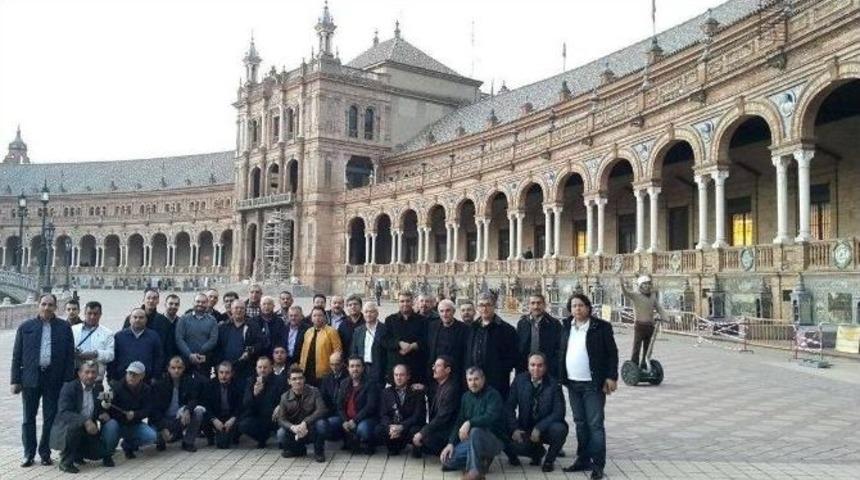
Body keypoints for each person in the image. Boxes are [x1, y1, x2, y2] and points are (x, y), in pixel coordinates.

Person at [11, 293, 76, 467]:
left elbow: (70, 356)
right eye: (44, 304)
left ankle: (45, 452)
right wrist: (15, 380)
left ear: (56, 307)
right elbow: (17, 355)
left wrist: (67, 380)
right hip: (31, 378)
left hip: (53, 379)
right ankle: (28, 453)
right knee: (28, 417)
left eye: (50, 305)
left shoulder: (64, 327)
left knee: (50, 417)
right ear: (38, 305)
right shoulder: (26, 327)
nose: (47, 308)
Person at [559, 294, 618, 480]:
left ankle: (598, 464)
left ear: (588, 307)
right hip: (572, 383)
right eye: (574, 306)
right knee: (580, 423)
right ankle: (583, 459)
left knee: (595, 425)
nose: (577, 309)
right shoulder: (567, 326)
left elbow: (612, 353)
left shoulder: (600, 327)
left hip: (593, 383)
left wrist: (611, 376)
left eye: (581, 305)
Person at [504, 353, 568, 472]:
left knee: (560, 429)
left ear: (545, 367)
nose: (536, 369)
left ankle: (549, 461)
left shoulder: (554, 384)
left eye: (540, 365)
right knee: (502, 430)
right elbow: (509, 406)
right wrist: (514, 428)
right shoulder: (519, 380)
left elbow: (559, 412)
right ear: (528, 366)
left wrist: (539, 427)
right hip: (525, 427)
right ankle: (534, 453)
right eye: (532, 365)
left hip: (545, 429)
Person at [440, 367, 507, 480]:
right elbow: (459, 421)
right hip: (472, 440)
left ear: (483, 379)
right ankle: (482, 461)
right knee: (447, 461)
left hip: (494, 440)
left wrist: (470, 422)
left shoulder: (493, 395)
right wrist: (450, 443)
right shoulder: (466, 397)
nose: (473, 383)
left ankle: (474, 471)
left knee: (475, 431)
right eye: (470, 380)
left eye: (476, 379)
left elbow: (490, 417)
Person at [50, 361, 110, 473]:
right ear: (79, 373)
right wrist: (85, 421)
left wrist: (103, 412)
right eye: (87, 372)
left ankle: (79, 454)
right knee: (75, 426)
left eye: (93, 372)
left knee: (97, 455)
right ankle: (66, 462)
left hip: (89, 430)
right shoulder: (69, 387)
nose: (90, 375)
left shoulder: (98, 388)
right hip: (66, 430)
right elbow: (64, 412)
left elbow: (98, 408)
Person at [465, 292, 518, 399]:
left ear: (494, 306)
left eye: (488, 305)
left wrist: (500, 369)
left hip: (496, 381)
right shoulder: (472, 328)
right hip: (474, 381)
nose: (484, 308)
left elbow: (513, 356)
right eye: (481, 305)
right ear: (477, 308)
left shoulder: (506, 330)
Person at [102, 361, 158, 462]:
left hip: (134, 424)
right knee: (111, 426)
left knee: (151, 436)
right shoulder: (115, 386)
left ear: (142, 376)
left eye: (135, 374)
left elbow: (148, 410)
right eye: (129, 373)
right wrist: (105, 406)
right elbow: (103, 403)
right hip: (117, 423)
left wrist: (135, 414)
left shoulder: (146, 390)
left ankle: (128, 445)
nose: (131, 376)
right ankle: (107, 455)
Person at [150, 356, 205, 452]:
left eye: (179, 368)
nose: (176, 371)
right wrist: (163, 427)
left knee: (198, 411)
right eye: (173, 368)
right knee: (160, 442)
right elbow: (155, 411)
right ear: (168, 368)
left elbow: (194, 399)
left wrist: (188, 409)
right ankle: (168, 437)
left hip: (179, 417)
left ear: (183, 368)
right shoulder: (160, 385)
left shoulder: (189, 381)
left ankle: (188, 442)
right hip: (163, 419)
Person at [327, 356, 379, 453]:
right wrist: (345, 421)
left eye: (358, 366)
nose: (355, 369)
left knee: (363, 429)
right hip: (347, 419)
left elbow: (370, 406)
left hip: (364, 419)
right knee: (329, 423)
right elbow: (339, 406)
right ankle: (348, 440)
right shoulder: (344, 383)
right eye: (352, 366)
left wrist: (354, 421)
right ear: (348, 368)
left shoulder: (370, 383)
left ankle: (366, 443)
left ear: (363, 368)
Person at [276, 366, 328, 462]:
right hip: (295, 430)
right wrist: (292, 427)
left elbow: (321, 410)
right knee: (281, 433)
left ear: (304, 379)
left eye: (300, 378)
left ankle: (319, 452)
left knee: (321, 424)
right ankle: (298, 450)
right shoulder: (284, 397)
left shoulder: (314, 391)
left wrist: (305, 422)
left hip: (311, 428)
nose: (298, 381)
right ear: (289, 381)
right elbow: (281, 419)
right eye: (294, 379)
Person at [412, 356, 460, 458]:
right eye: (434, 365)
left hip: (447, 432)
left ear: (447, 370)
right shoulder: (440, 385)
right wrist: (423, 388)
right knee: (413, 430)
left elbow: (442, 418)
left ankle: (445, 452)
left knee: (423, 437)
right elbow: (432, 391)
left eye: (438, 366)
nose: (433, 368)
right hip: (438, 428)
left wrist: (422, 433)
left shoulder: (452, 389)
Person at [375, 364, 426, 456]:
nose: (398, 378)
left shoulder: (417, 393)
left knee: (415, 429)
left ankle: (416, 448)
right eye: (396, 375)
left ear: (408, 376)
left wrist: (402, 426)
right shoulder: (386, 392)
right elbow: (383, 414)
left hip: (408, 427)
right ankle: (393, 447)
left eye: (402, 375)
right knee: (378, 429)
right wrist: (390, 427)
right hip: (393, 427)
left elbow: (417, 416)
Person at [122, 288, 176, 373]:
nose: (151, 301)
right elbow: (123, 343)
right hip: (131, 368)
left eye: (154, 298)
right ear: (143, 300)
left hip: (154, 368)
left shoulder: (164, 322)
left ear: (158, 301)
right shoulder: (131, 319)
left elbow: (168, 348)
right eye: (148, 298)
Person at [620, 275, 667, 368]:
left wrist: (665, 317)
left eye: (648, 284)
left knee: (648, 348)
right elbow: (626, 293)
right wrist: (622, 284)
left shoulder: (652, 297)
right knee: (637, 347)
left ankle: (644, 363)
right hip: (640, 326)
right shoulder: (636, 295)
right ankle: (634, 365)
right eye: (644, 284)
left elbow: (659, 308)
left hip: (650, 326)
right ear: (640, 285)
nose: (647, 286)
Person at [215, 299, 261, 392]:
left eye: (241, 308)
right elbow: (217, 348)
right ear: (231, 310)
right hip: (226, 369)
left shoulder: (253, 326)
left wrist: (251, 350)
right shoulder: (223, 327)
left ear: (245, 310)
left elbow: (260, 343)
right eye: (236, 308)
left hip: (246, 369)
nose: (239, 310)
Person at [384, 291, 428, 385]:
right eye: (402, 301)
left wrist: (413, 346)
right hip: (396, 369)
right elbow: (385, 340)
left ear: (412, 302)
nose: (405, 304)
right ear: (398, 303)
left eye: (408, 301)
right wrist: (399, 344)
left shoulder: (422, 320)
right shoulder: (390, 320)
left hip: (415, 369)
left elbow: (427, 341)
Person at [238, 356, 282, 448]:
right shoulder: (251, 381)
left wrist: (280, 406)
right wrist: (254, 394)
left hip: (276, 416)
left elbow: (286, 397)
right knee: (243, 425)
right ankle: (262, 438)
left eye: (265, 367)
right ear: (256, 368)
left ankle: (282, 438)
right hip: (258, 417)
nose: (262, 370)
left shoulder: (279, 380)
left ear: (271, 368)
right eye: (260, 367)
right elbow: (246, 404)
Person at [515, 294, 562, 379]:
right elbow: (517, 346)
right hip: (525, 369)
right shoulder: (522, 323)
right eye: (533, 303)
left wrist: (554, 365)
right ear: (529, 305)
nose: (536, 306)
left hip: (548, 370)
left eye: (539, 303)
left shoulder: (554, 324)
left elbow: (559, 348)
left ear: (544, 305)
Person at [110, 308, 163, 382]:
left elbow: (158, 358)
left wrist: (155, 377)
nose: (138, 320)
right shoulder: (119, 336)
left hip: (146, 382)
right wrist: (111, 378)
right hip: (122, 381)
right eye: (135, 317)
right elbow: (113, 358)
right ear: (130, 319)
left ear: (146, 320)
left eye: (141, 318)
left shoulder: (153, 336)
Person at [175, 292, 219, 378]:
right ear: (193, 303)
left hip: (204, 360)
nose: (200, 304)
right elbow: (179, 339)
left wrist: (199, 353)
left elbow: (213, 339)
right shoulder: (183, 319)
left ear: (207, 304)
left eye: (203, 302)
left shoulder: (212, 320)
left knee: (203, 385)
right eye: (198, 301)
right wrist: (190, 355)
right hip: (186, 359)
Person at [202, 361, 243, 449]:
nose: (224, 376)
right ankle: (211, 437)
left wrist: (233, 418)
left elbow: (241, 405)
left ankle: (234, 436)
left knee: (225, 444)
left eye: (227, 373)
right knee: (201, 413)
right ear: (217, 373)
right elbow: (206, 405)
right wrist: (214, 419)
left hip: (231, 417)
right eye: (221, 372)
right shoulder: (210, 385)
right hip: (216, 417)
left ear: (232, 373)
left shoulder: (238, 385)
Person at [72, 300, 114, 384]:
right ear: (84, 314)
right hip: (74, 375)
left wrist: (95, 354)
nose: (92, 317)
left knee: (97, 397)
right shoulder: (73, 329)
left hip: (95, 377)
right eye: (89, 313)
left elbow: (110, 355)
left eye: (95, 314)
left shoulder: (107, 333)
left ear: (100, 315)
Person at [299, 306, 343, 386]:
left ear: (324, 317)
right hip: (308, 371)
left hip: (324, 372)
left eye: (320, 315)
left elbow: (338, 351)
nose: (317, 318)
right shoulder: (308, 332)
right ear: (311, 318)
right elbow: (303, 352)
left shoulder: (331, 332)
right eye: (314, 315)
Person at [426, 299, 468, 380]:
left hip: (455, 373)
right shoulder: (432, 326)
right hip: (435, 374)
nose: (444, 314)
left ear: (454, 311)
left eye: (448, 311)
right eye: (441, 311)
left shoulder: (464, 329)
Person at [349, 301, 389, 385]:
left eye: (371, 311)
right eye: (366, 312)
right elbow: (354, 351)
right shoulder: (358, 331)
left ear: (377, 313)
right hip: (362, 369)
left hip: (379, 369)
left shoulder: (384, 330)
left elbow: (388, 353)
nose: (368, 314)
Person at [318, 352, 346, 419]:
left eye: (337, 364)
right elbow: (323, 397)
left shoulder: (348, 377)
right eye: (332, 364)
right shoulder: (327, 378)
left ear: (342, 363)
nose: (334, 367)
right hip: (330, 411)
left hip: (343, 413)